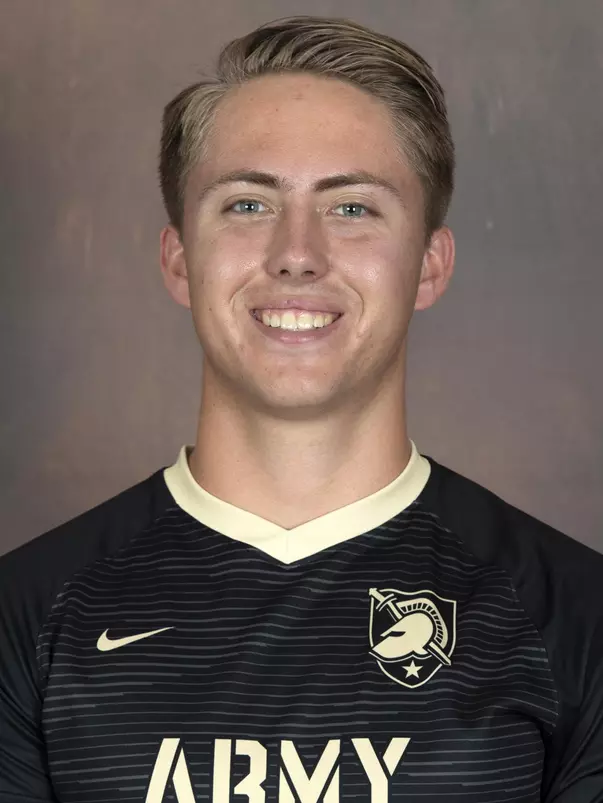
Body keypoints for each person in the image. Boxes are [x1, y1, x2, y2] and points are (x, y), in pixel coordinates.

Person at [0, 13, 601, 803]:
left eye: (351, 208)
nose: (296, 252)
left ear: (429, 264)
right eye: (247, 204)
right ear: (179, 258)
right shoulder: (27, 615)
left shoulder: (573, 615)